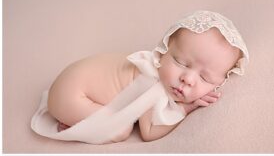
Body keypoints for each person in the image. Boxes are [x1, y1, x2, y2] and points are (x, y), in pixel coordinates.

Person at [32, 10, 248, 144]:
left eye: (206, 78)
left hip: (70, 83)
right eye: (181, 63)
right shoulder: (150, 82)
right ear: (162, 50)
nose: (188, 79)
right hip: (70, 95)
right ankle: (76, 127)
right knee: (121, 130)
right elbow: (149, 132)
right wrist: (186, 108)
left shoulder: (162, 70)